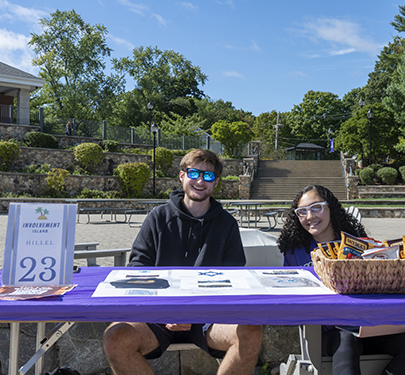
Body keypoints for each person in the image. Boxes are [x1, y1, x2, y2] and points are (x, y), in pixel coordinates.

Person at [103, 149, 263, 375]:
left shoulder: (227, 224)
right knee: (116, 337)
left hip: (209, 317)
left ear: (216, 182)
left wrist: (195, 313)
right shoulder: (157, 217)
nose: (200, 180)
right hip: (159, 314)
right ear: (181, 176)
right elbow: (139, 270)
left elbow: (233, 279)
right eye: (194, 173)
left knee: (251, 332)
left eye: (208, 176)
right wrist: (167, 311)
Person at [277, 184, 405, 375]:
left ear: (330, 208)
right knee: (347, 339)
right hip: (326, 333)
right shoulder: (294, 252)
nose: (310, 216)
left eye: (316, 208)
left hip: (367, 327)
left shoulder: (360, 244)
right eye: (302, 211)